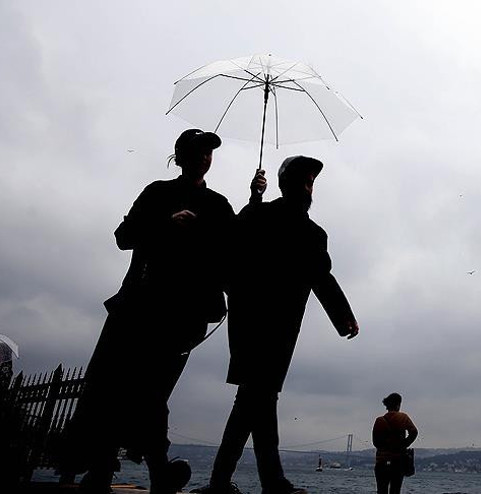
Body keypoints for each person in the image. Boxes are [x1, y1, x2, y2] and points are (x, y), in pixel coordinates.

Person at [60, 129, 237, 494]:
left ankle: (138, 470)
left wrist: (252, 198)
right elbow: (123, 236)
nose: (206, 156)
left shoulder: (219, 206)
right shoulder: (157, 192)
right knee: (116, 387)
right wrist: (166, 223)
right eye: (199, 150)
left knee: (152, 391)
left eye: (209, 151)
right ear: (181, 155)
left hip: (183, 316)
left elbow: (235, 252)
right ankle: (123, 469)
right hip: (139, 306)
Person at [198, 156, 359, 494]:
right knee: (256, 398)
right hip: (270, 327)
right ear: (292, 185)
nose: (308, 187)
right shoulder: (300, 229)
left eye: (311, 181)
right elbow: (232, 244)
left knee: (256, 399)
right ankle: (259, 482)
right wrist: (343, 317)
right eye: (305, 181)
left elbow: (319, 277)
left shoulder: (278, 221)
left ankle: (238, 481)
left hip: (257, 325)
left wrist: (343, 316)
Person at [372, 393, 418, 494]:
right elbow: (414, 432)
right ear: (398, 405)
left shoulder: (379, 420)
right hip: (398, 461)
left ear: (387, 406)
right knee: (395, 490)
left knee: (381, 490)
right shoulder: (403, 417)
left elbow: (375, 442)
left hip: (381, 462)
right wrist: (404, 444)